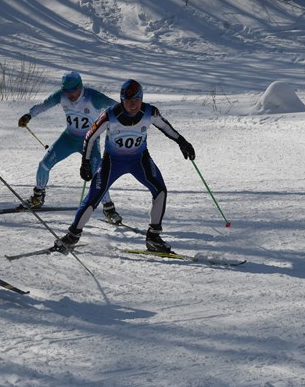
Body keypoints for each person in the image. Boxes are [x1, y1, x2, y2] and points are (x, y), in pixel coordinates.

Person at [53, 79, 195, 253]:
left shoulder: (150, 112)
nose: (132, 104)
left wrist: (182, 142)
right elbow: (90, 137)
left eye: (136, 99)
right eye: (127, 100)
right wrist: (86, 162)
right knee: (93, 198)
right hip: (112, 162)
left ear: (141, 98)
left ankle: (153, 237)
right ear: (121, 100)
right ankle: (72, 236)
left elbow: (166, 127)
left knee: (160, 190)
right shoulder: (110, 115)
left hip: (139, 160)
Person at [18, 70, 122, 224]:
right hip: (68, 138)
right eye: (66, 91)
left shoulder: (94, 97)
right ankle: (37, 198)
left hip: (90, 141)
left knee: (97, 174)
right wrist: (29, 115)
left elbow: (118, 108)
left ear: (80, 87)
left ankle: (109, 209)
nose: (69, 95)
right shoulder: (61, 95)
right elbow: (45, 104)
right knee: (44, 165)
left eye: (72, 91)